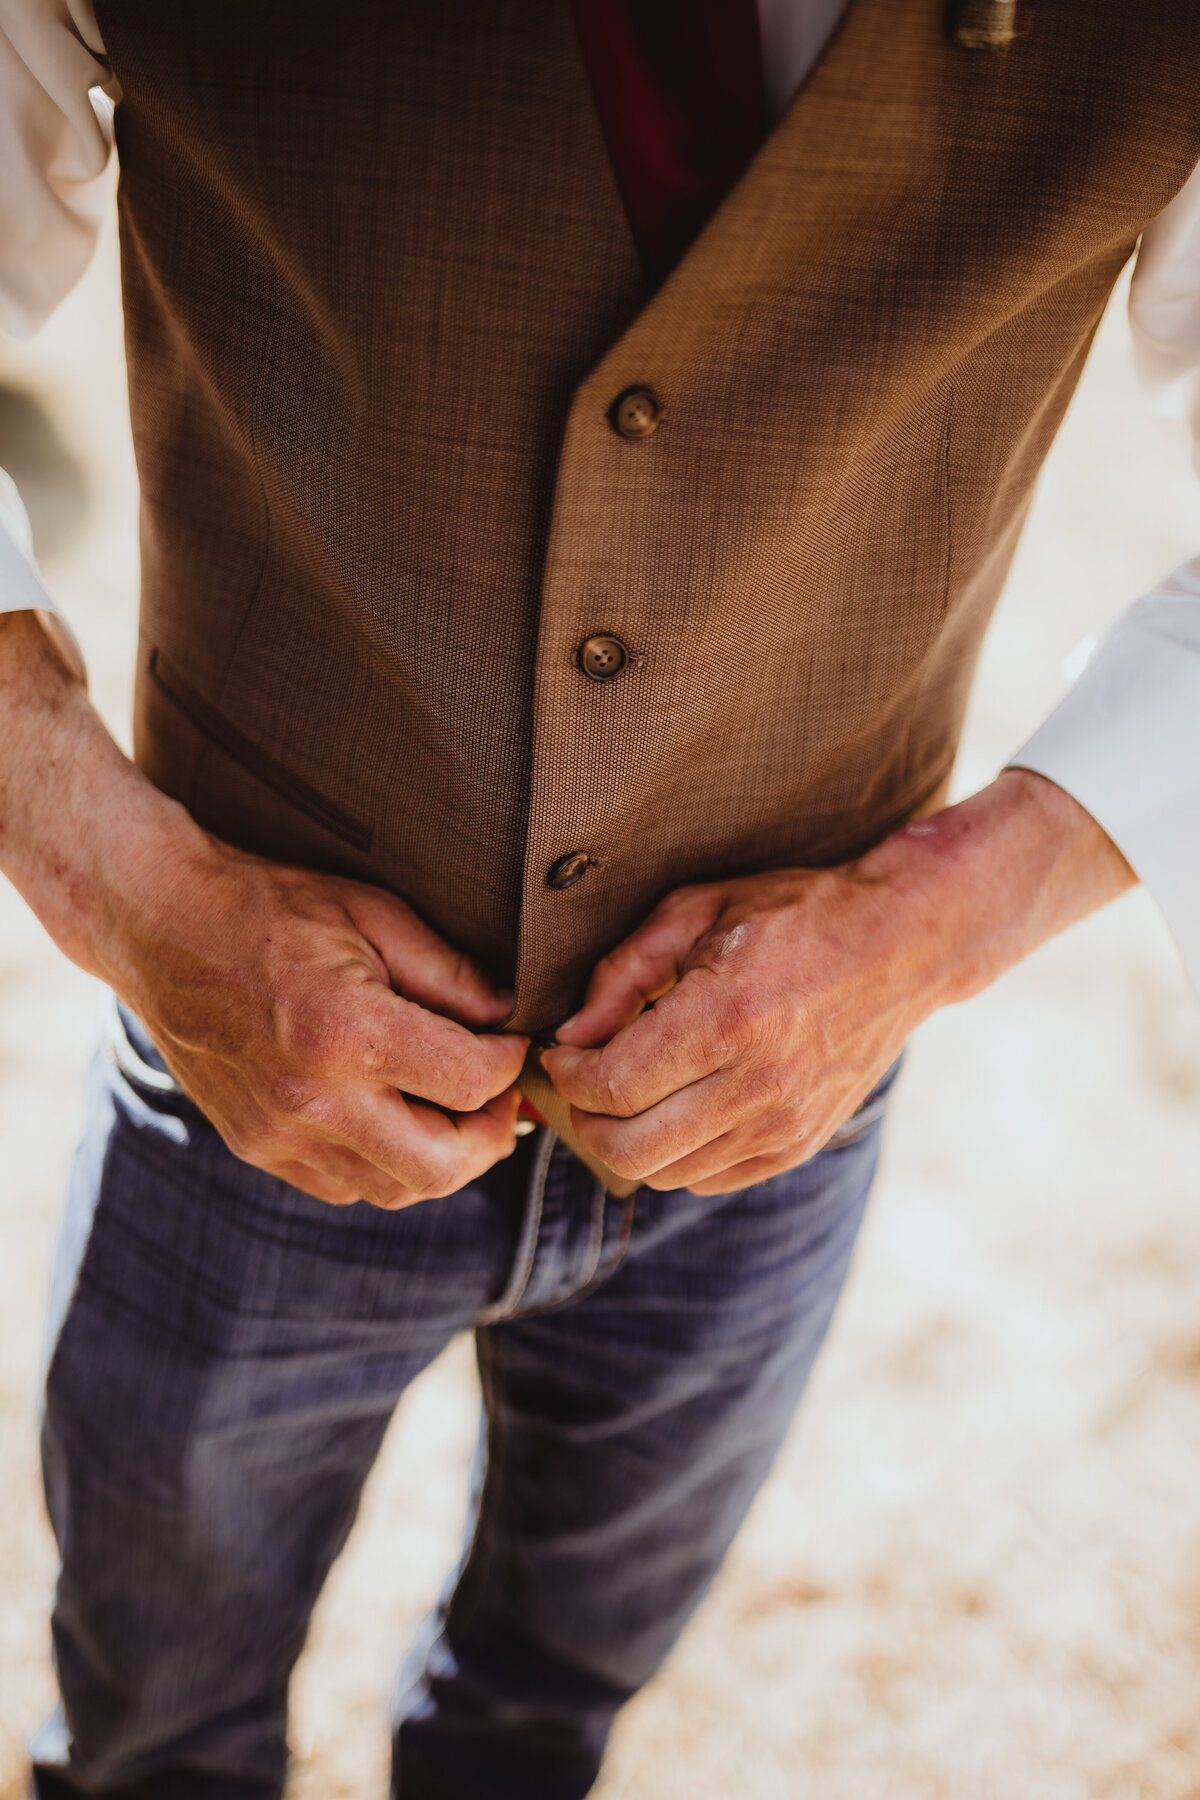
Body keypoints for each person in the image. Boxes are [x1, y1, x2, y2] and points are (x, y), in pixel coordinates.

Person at [2, 1, 1199, 1794]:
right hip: (247, 1089)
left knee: (545, 1715)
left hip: (780, 1131)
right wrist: (122, 879)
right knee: (151, 1720)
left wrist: (934, 923)